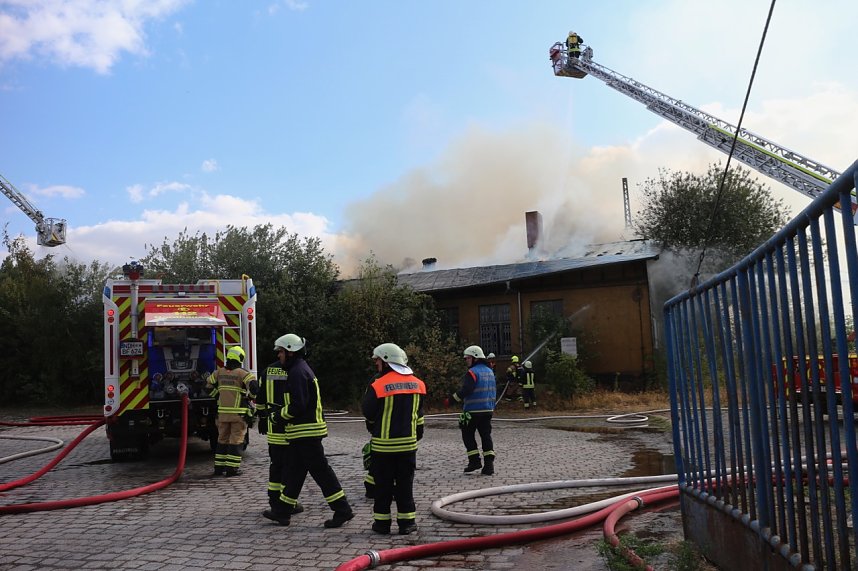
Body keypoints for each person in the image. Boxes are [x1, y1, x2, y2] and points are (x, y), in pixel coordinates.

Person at [262, 334, 354, 528]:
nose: (279, 355)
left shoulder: (297, 372)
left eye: (281, 351)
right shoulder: (299, 369)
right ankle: (282, 512)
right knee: (295, 472)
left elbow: (298, 405)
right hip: (301, 433)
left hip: (306, 433)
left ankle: (342, 510)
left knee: (322, 473)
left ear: (290, 352)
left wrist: (277, 416)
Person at [362, 343, 426, 535]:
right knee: (405, 486)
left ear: (387, 361)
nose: (376, 364)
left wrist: (373, 426)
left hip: (383, 447)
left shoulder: (378, 384)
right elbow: (419, 414)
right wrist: (417, 433)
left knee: (383, 487)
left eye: (378, 360)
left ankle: (382, 524)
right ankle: (407, 524)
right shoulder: (418, 384)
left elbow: (368, 412)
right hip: (408, 446)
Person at [255, 340, 302, 515]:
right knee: (290, 467)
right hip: (289, 426)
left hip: (272, 427)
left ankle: (274, 500)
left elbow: (259, 398)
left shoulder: (267, 371)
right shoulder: (294, 370)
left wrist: (261, 417)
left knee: (276, 465)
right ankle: (289, 502)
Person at [206, 346, 258, 477]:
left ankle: (219, 468)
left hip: (223, 414)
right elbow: (254, 387)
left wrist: (217, 395)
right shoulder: (242, 373)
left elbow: (207, 385)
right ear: (240, 358)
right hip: (238, 414)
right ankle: (231, 469)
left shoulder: (219, 372)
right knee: (236, 440)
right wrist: (250, 397)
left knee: (222, 439)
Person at [452, 345, 497, 475]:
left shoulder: (472, 372)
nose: (466, 361)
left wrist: (452, 399)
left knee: (467, 434)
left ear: (475, 358)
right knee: (486, 436)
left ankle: (474, 461)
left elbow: (467, 390)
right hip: (487, 410)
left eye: (467, 358)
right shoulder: (489, 371)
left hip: (472, 411)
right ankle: (489, 465)